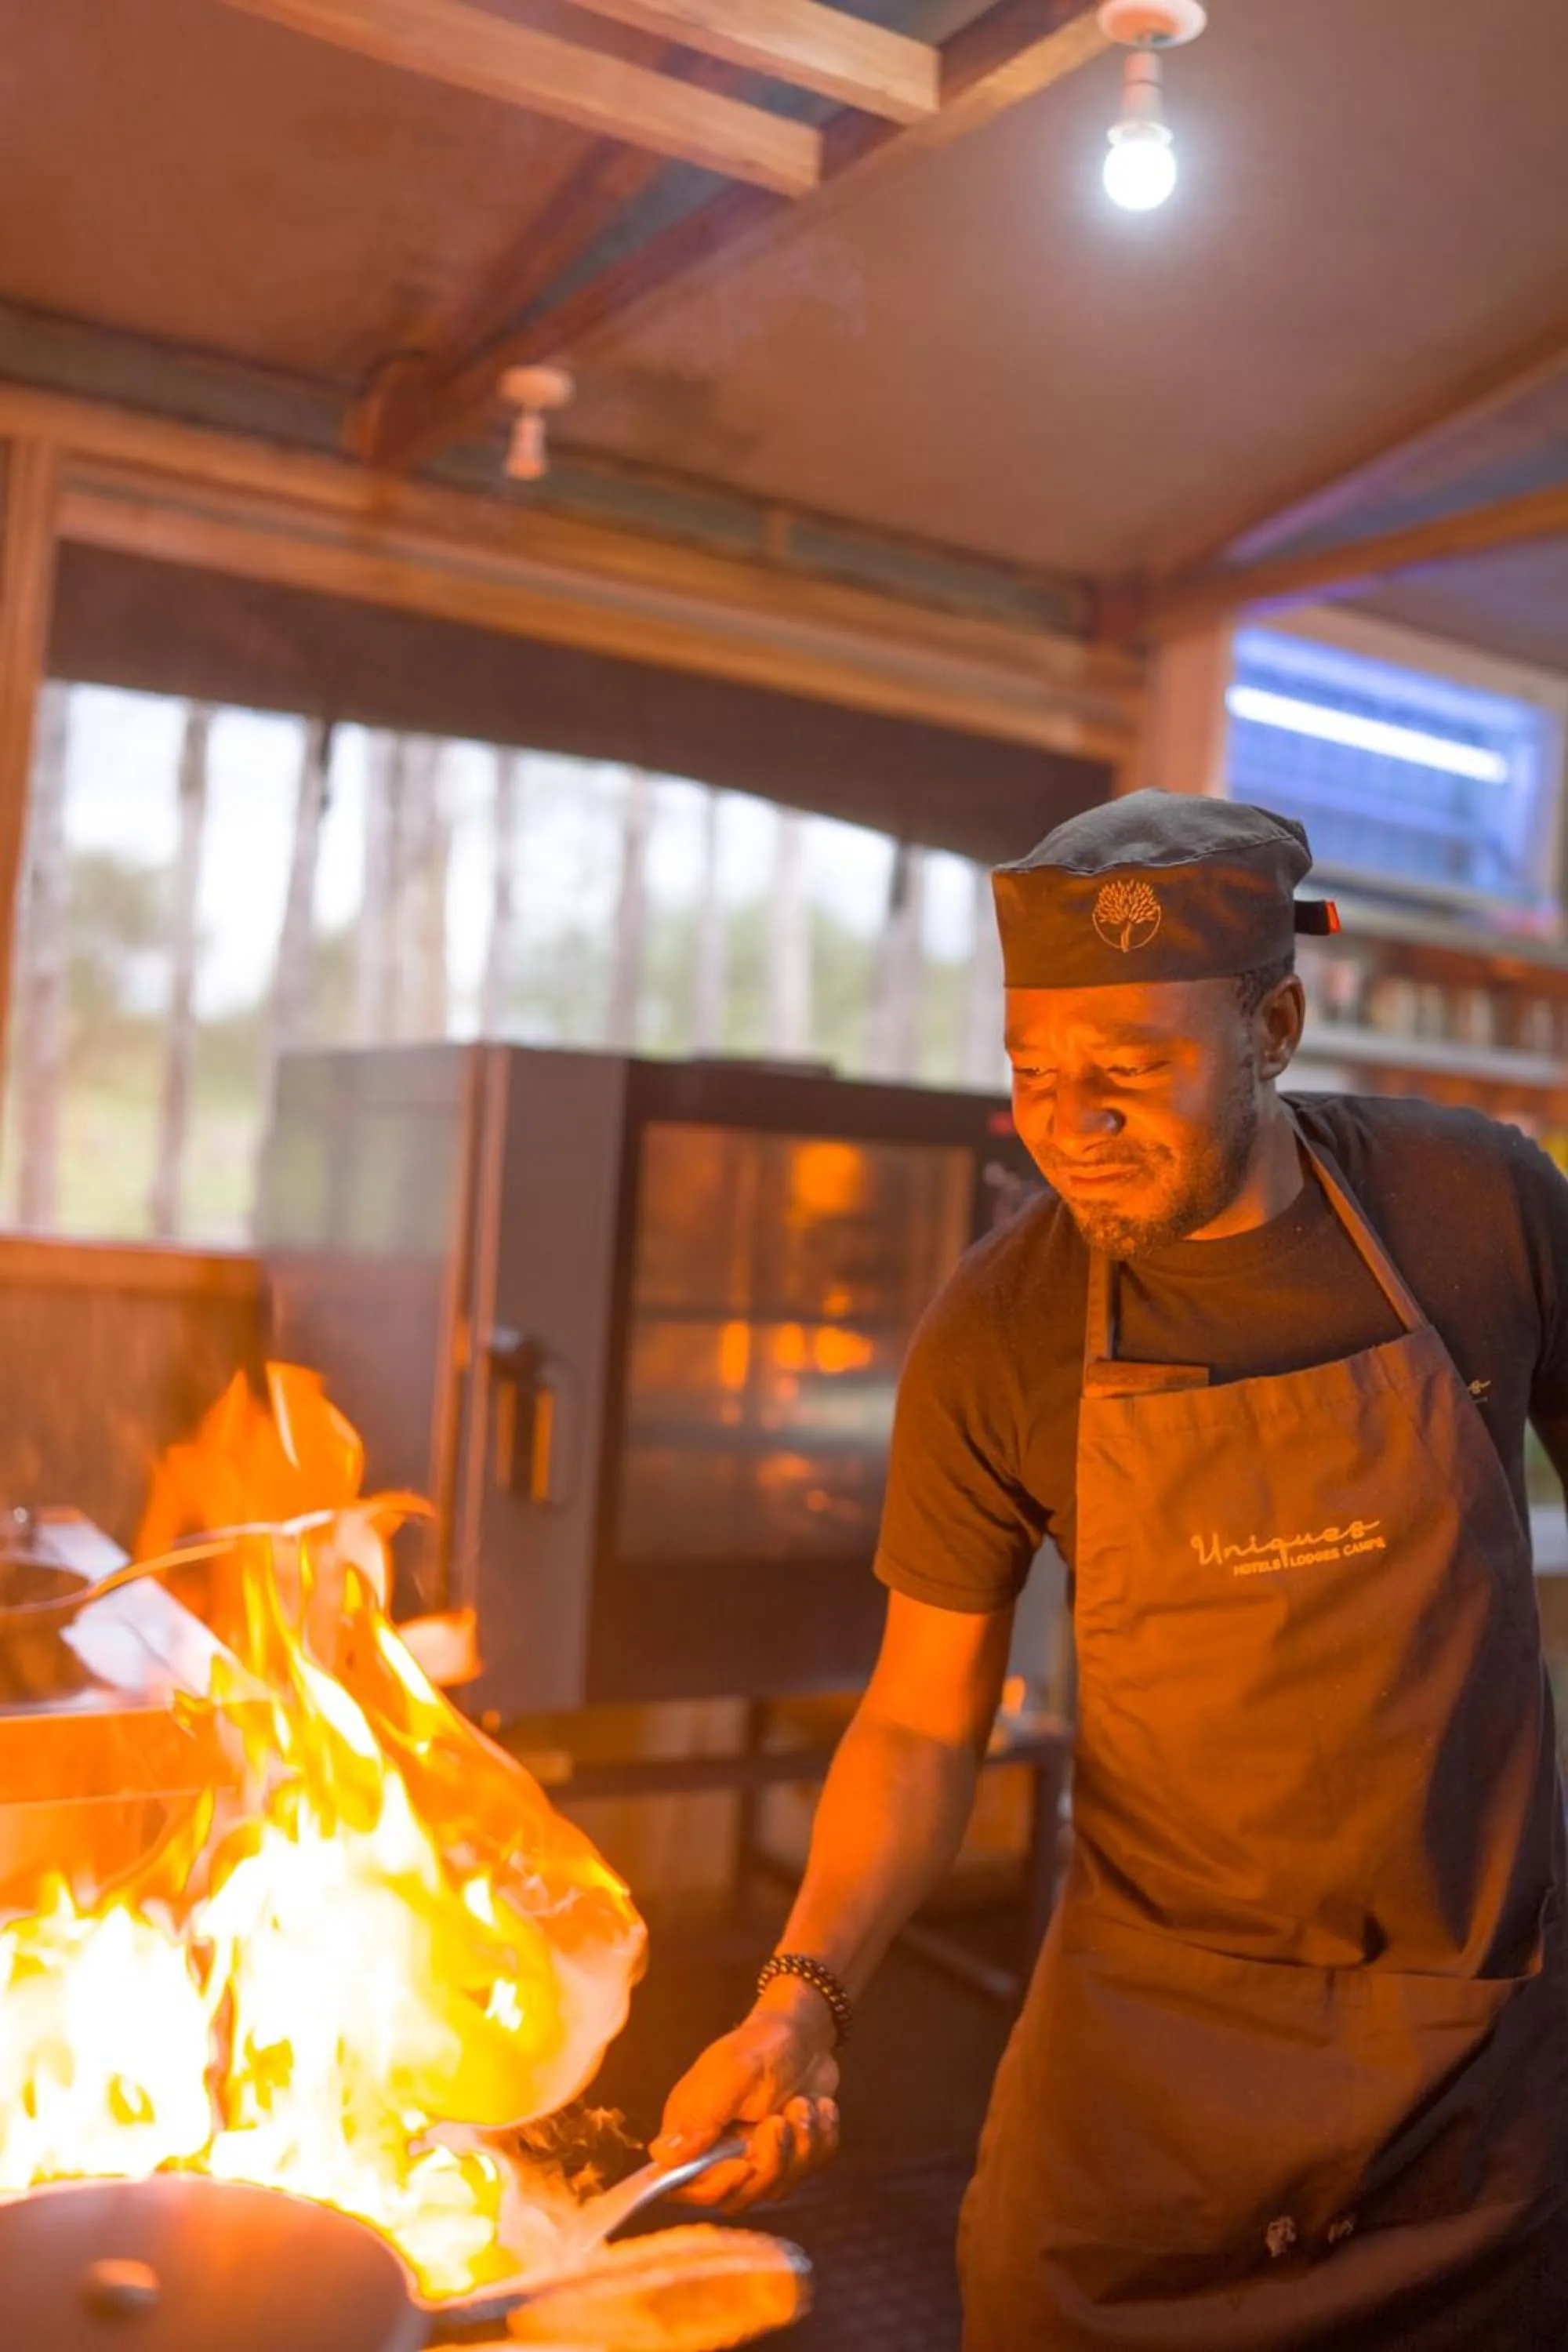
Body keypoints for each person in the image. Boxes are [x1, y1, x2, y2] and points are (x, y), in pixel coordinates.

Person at [652, 789, 1568, 2349]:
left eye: (1130, 1076)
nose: (1070, 1125)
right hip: (1157, 2075)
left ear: (1272, 1024)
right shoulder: (999, 1331)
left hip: (1473, 2062)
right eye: (1032, 1078)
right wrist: (800, 1993)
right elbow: (922, 1719)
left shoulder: (1476, 1207)